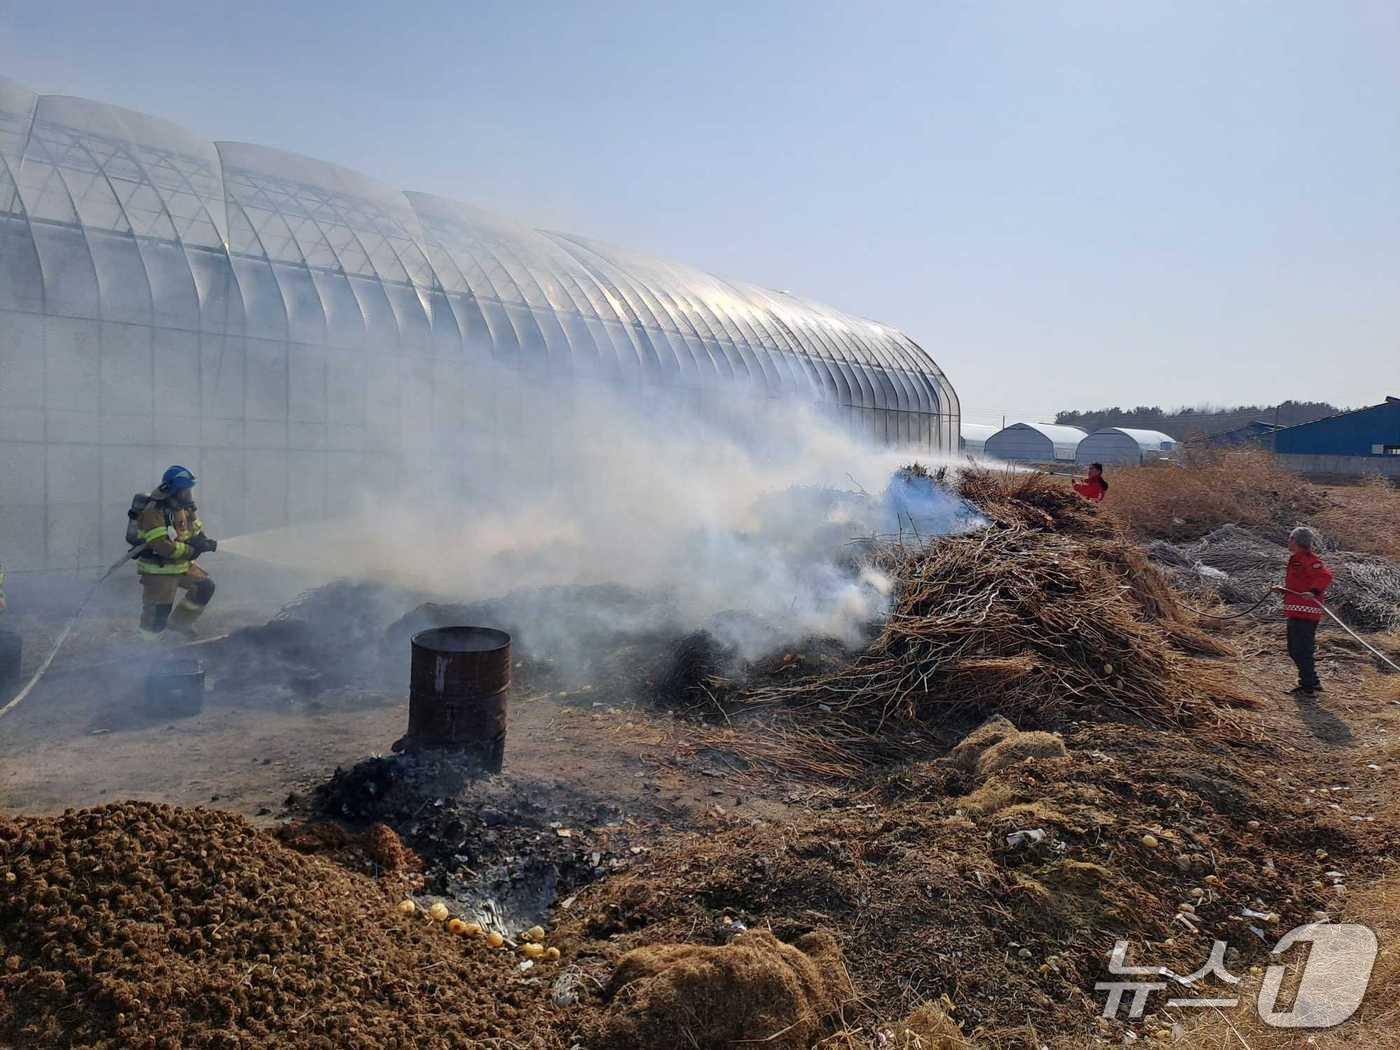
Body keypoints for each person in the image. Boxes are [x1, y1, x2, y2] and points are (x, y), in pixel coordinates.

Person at [134, 465, 218, 640]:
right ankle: (147, 645)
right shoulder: (154, 511)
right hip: (159, 569)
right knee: (158, 612)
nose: (188, 493)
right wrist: (191, 550)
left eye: (189, 489)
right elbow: (159, 544)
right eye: (185, 490)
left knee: (204, 587)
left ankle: (179, 624)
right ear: (173, 490)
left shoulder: (184, 507)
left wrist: (203, 540)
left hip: (180, 564)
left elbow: (193, 528)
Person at [1272, 525, 1333, 696]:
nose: (1288, 542)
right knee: (1297, 649)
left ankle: (1307, 687)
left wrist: (1313, 592)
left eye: (1290, 539)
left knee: (1300, 650)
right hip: (1297, 611)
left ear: (1295, 541)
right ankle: (1312, 681)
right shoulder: (1296, 559)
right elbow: (1299, 584)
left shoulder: (1309, 559)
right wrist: (1283, 590)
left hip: (1306, 613)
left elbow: (1325, 576)